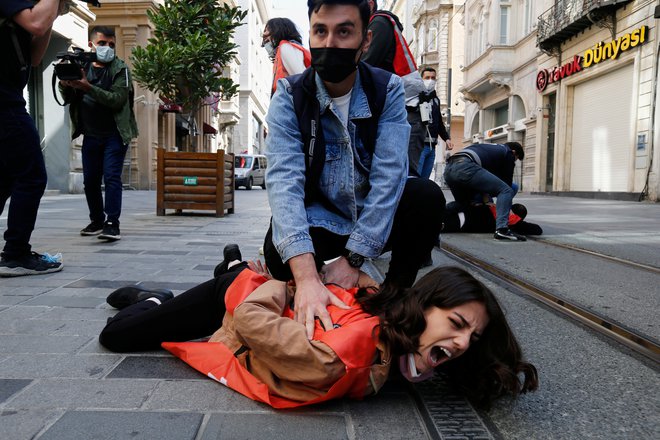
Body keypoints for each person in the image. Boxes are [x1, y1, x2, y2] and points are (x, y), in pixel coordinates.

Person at [99, 244, 538, 409]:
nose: (462, 343)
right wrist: (286, 287)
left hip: (264, 296)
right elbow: (253, 318)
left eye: (472, 338)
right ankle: (156, 298)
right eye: (457, 324)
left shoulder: (400, 331)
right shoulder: (342, 358)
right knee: (117, 336)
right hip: (238, 297)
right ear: (425, 307)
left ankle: (230, 263)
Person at [263, 0, 445, 338]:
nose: (330, 43)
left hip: (371, 220)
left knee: (426, 197)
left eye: (344, 31)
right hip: (323, 218)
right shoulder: (291, 95)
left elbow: (389, 177)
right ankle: (316, 286)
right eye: (321, 31)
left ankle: (394, 300)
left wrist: (354, 259)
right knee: (277, 253)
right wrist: (305, 278)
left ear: (365, 41)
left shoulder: (386, 89)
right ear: (311, 34)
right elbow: (283, 183)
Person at [0, 0, 66, 277]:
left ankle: (15, 251)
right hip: (3, 100)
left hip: (10, 96)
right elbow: (36, 22)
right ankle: (15, 254)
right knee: (32, 175)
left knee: (5, 177)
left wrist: (55, 11)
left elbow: (36, 56)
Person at [60, 25, 138, 242]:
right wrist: (66, 85)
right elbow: (67, 98)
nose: (107, 48)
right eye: (102, 43)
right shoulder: (81, 66)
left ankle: (112, 223)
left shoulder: (120, 69)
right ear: (91, 44)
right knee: (90, 181)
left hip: (115, 134)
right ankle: (96, 220)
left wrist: (87, 87)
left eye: (111, 44)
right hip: (91, 134)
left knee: (112, 177)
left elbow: (117, 100)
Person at [360, 0, 426, 176]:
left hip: (399, 107)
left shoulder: (379, 23)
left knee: (402, 172)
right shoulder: (376, 23)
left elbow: (365, 65)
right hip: (392, 104)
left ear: (369, 3)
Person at [444, 142, 526, 241]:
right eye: (515, 159)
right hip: (466, 167)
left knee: (463, 204)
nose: (513, 161)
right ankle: (502, 230)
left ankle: (436, 215)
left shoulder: (489, 149)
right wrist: (507, 210)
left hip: (449, 168)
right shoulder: (508, 153)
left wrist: (487, 201)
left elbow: (483, 183)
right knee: (506, 190)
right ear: (514, 152)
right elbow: (506, 185)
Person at [417, 66, 453, 179]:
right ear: (421, 79)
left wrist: (447, 138)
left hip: (432, 147)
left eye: (433, 78)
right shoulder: (415, 96)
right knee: (415, 178)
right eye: (427, 77)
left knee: (424, 180)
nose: (430, 80)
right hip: (419, 145)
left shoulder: (436, 99)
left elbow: (439, 123)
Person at [262, 17, 311, 96]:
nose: (264, 34)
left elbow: (301, 81)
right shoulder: (285, 49)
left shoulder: (286, 47)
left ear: (278, 30)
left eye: (267, 30)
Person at [443, 202, 543, 236]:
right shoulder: (510, 218)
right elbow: (538, 230)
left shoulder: (496, 207)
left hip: (460, 210)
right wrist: (518, 220)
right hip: (463, 222)